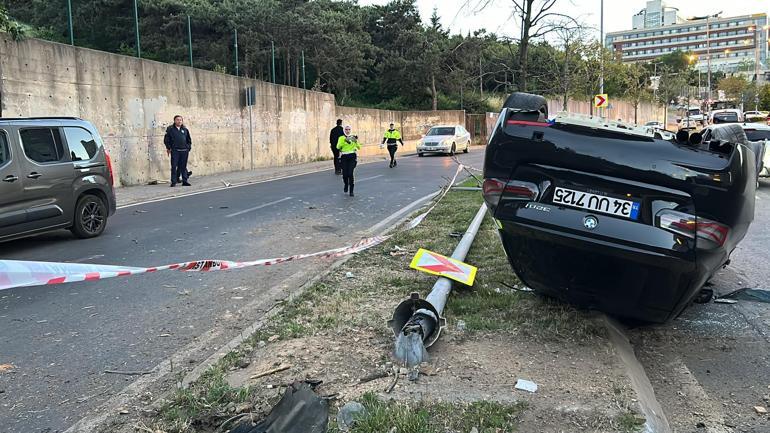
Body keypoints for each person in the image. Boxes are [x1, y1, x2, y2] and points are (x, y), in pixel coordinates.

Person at [164, 115, 192, 187]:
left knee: (183, 166)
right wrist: (168, 147)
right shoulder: (170, 129)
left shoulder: (185, 130)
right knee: (174, 166)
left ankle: (185, 181)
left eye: (180, 120)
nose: (179, 121)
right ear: (174, 121)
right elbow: (166, 140)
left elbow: (189, 140)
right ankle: (173, 181)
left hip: (184, 151)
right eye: (177, 120)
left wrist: (188, 147)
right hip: (175, 151)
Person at [336, 125, 361, 197]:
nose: (347, 131)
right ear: (344, 130)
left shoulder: (353, 137)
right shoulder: (341, 138)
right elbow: (338, 147)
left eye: (349, 129)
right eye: (346, 129)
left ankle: (351, 190)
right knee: (345, 174)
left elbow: (359, 147)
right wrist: (344, 141)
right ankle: (346, 184)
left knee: (350, 173)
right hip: (344, 156)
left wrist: (355, 141)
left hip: (352, 156)